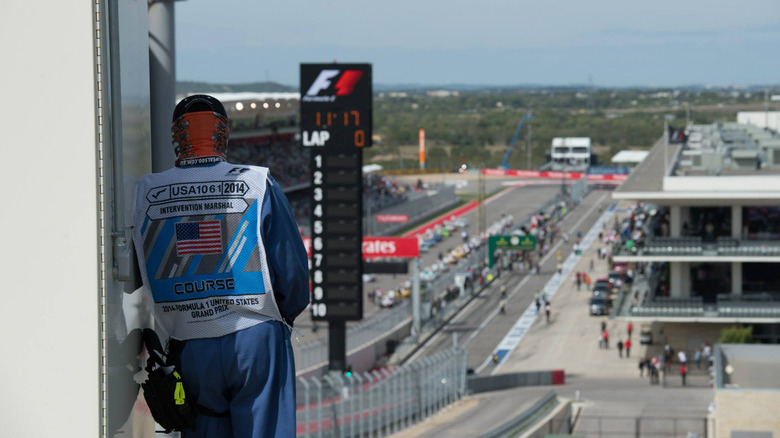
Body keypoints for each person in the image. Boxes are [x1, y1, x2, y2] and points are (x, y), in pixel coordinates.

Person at [132, 95, 309, 438]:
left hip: (190, 344)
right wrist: (276, 319)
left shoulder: (145, 191)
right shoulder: (258, 183)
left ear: (176, 137)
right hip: (255, 335)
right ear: (223, 133)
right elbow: (293, 277)